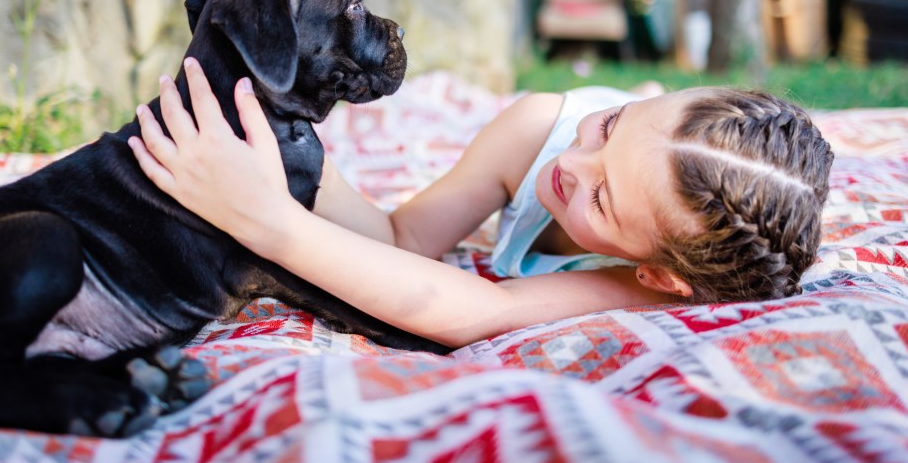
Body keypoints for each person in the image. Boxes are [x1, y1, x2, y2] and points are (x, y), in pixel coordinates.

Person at [128, 58, 834, 349]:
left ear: (657, 273)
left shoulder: (664, 284)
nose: (572, 162)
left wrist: (272, 225)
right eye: (613, 124)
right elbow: (406, 238)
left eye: (603, 197)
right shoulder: (541, 130)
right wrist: (299, 165)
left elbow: (476, 311)